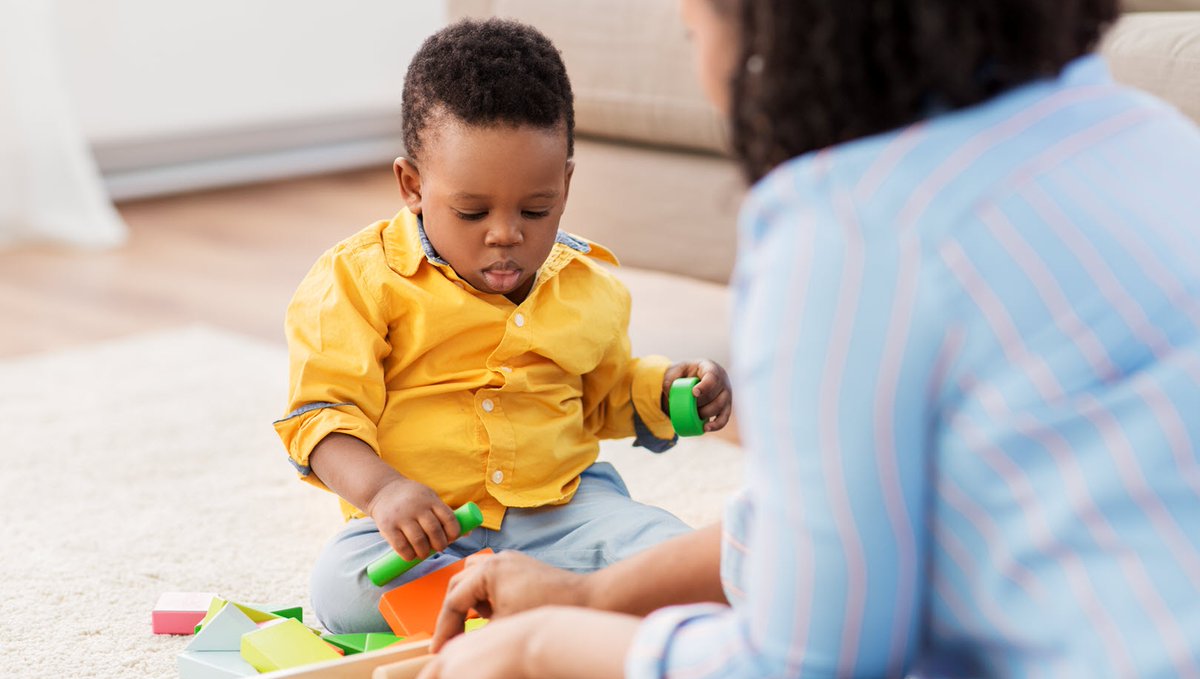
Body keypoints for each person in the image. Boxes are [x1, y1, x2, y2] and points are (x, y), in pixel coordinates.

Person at [418, 0, 1200, 676]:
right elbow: (831, 522)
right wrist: (592, 594)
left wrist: (543, 647)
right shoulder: (1155, 135)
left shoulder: (847, 229)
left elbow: (807, 663)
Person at [273, 18, 733, 634]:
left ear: (565, 185)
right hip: (432, 529)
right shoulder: (355, 282)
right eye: (472, 211)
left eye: (535, 209)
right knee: (343, 591)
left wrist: (673, 394)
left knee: (676, 552)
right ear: (412, 185)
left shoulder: (589, 285)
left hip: (567, 510)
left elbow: (604, 394)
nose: (506, 234)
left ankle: (531, 598)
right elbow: (320, 416)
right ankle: (546, 601)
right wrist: (384, 493)